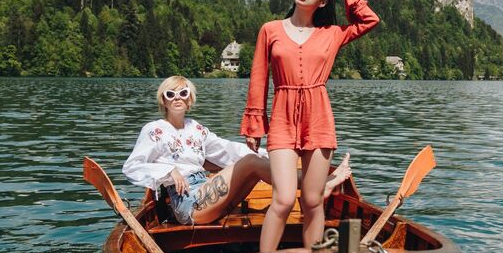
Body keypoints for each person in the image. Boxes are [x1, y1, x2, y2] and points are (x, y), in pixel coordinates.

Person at [241, 0, 380, 252]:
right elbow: (259, 78)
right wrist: (255, 125)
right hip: (282, 118)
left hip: (318, 119)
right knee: (283, 200)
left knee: (313, 200)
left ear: (323, 1)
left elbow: (369, 20)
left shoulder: (332, 34)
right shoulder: (270, 29)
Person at [123, 76, 350, 226]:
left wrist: (275, 156)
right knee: (250, 162)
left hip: (208, 195)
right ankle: (318, 184)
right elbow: (132, 167)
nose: (177, 99)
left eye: (182, 93)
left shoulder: (196, 129)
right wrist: (168, 171)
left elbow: (228, 150)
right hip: (188, 204)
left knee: (251, 164)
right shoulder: (154, 130)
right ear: (163, 100)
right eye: (170, 95)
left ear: (190, 98)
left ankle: (314, 184)